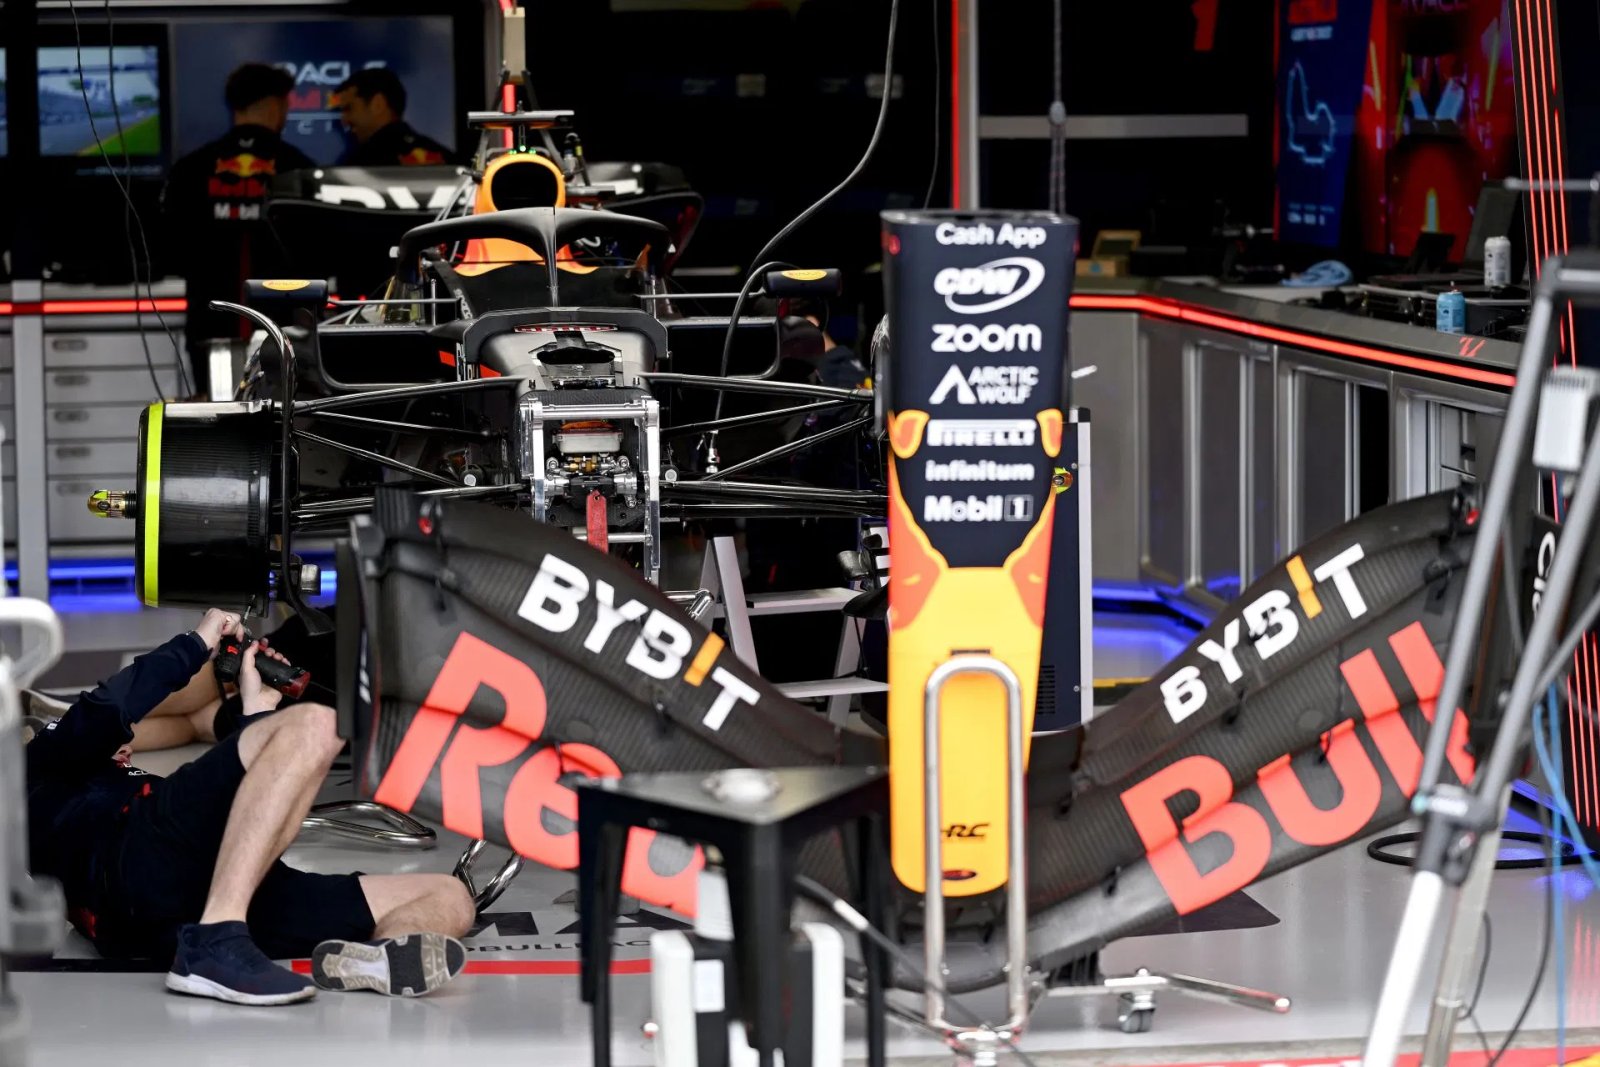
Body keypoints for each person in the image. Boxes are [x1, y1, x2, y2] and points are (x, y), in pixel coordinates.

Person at [24, 609, 475, 1006]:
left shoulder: (119, 781)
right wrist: (198, 642)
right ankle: (216, 940)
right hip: (132, 865)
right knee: (317, 723)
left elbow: (246, 811)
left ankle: (377, 959)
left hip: (196, 905)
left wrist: (257, 711)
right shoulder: (37, 766)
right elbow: (107, 708)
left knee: (450, 897)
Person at [161, 63, 316, 397]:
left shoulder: (191, 169)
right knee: (283, 419)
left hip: (210, 322)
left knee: (218, 416)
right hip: (282, 325)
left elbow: (169, 246)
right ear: (276, 105)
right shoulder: (299, 169)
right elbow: (318, 248)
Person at [333, 68, 455, 167]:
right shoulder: (445, 158)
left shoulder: (362, 164)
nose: (344, 121)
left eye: (349, 108)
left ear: (378, 104)